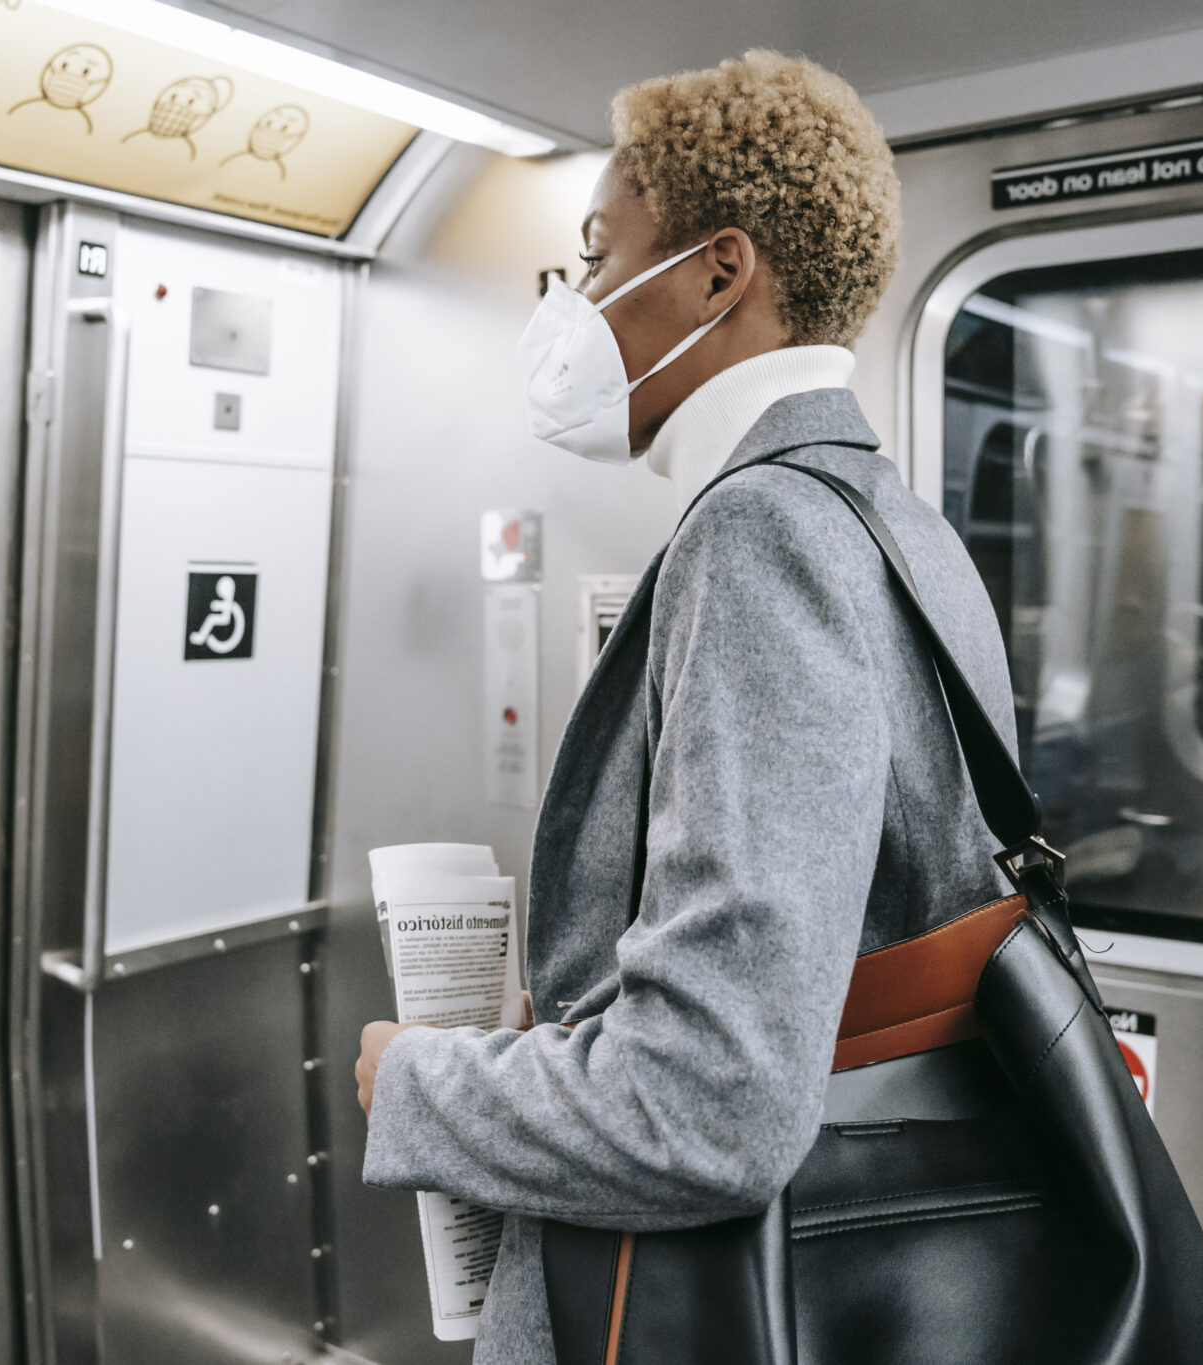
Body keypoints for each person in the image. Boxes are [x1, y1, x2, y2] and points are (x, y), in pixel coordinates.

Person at [352, 50, 1018, 1363]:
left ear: (722, 270)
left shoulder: (763, 535)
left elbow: (713, 1100)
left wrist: (418, 1079)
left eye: (599, 257)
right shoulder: (891, 521)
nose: (579, 302)